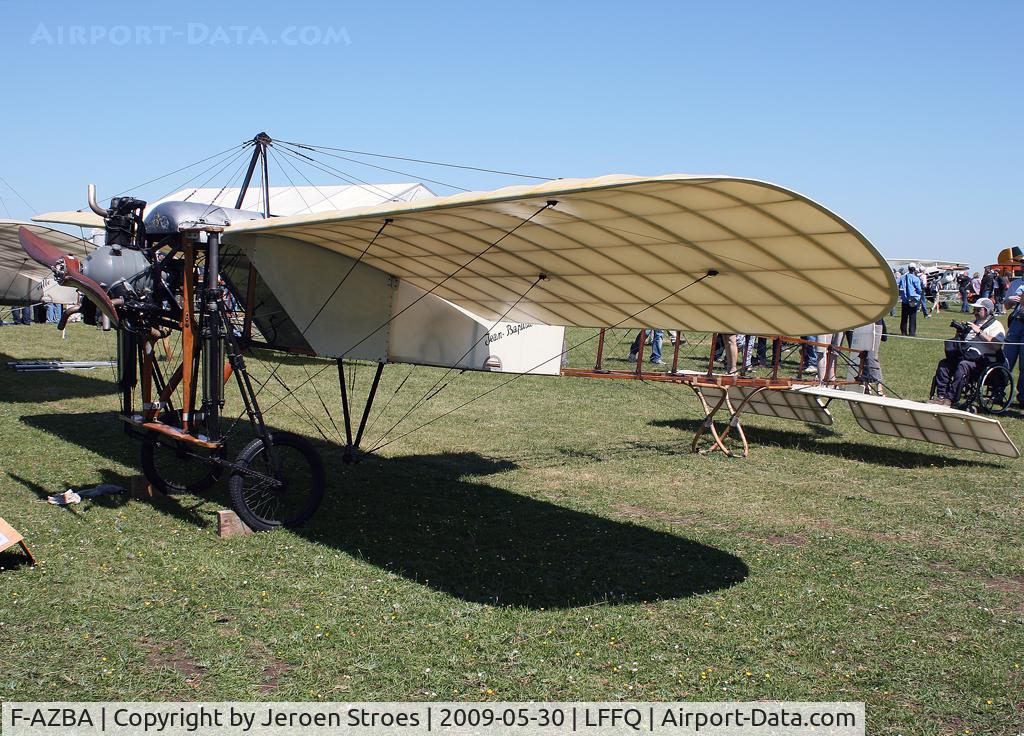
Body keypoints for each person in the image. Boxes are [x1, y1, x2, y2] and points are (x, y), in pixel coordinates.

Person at [929, 298, 1005, 406]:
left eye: (978, 310)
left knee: (963, 365)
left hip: (984, 361)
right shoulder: (972, 322)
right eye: (974, 310)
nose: (975, 312)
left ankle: (950, 399)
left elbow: (996, 346)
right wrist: (959, 333)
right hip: (966, 356)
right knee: (944, 364)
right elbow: (959, 341)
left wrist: (979, 332)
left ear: (987, 311)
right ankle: (941, 396)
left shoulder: (996, 326)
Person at [1002, 279, 1024, 408]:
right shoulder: (1016, 284)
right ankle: (998, 391)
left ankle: (1022, 398)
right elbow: (1006, 306)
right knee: (1006, 359)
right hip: (1016, 322)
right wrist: (1010, 299)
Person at [898, 264, 923, 336]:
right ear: (914, 269)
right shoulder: (916, 278)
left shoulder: (902, 277)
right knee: (912, 317)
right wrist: (918, 296)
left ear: (908, 269)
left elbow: (897, 284)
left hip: (904, 299)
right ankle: (912, 333)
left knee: (904, 317)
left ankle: (903, 332)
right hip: (913, 299)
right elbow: (919, 289)